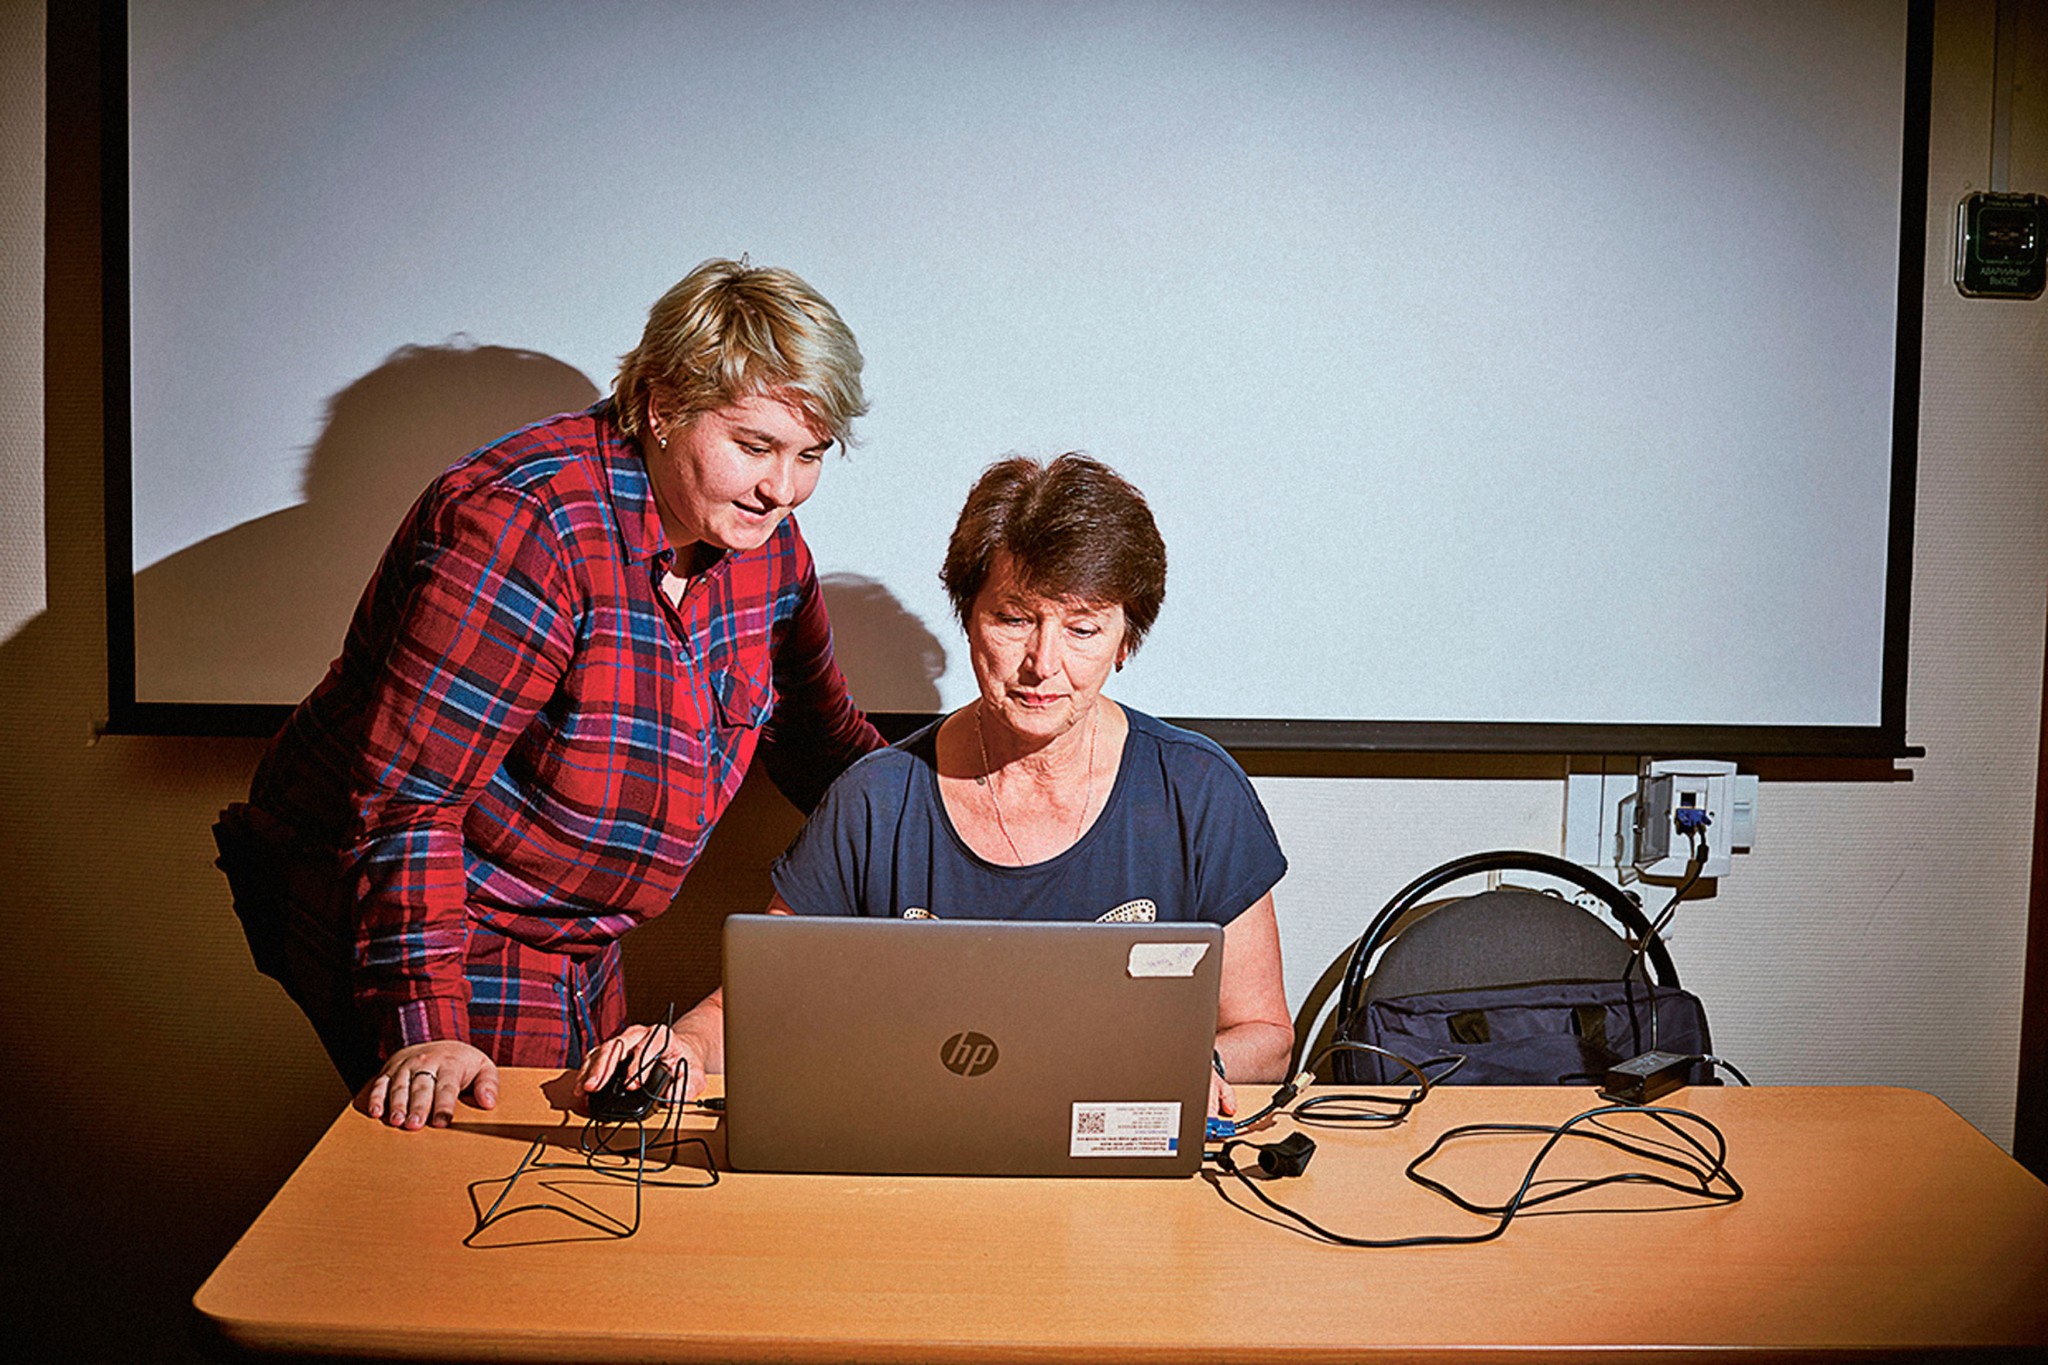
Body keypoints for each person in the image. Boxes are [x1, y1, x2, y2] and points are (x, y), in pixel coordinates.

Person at [214, 258, 886, 1131]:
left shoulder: (768, 548)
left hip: (575, 926)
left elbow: (826, 745)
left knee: (588, 1151)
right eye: (754, 447)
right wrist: (427, 1025)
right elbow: (409, 801)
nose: (782, 488)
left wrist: (970, 806)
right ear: (661, 405)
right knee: (487, 1163)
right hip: (436, 902)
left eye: (810, 455)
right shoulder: (526, 524)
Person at [582, 454, 1293, 1117]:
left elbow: (1264, 1033)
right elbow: (759, 1002)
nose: (1042, 663)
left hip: (1117, 1164)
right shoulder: (877, 798)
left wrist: (1191, 1066)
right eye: (1013, 619)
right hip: (914, 1155)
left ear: (1125, 641)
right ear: (969, 617)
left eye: (1082, 629)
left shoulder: (1196, 790)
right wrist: (687, 1043)